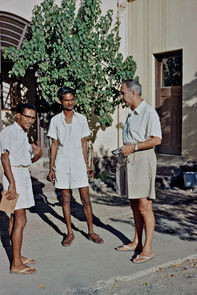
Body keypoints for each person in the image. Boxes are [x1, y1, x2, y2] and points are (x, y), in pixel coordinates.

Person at [47, 86, 103, 246]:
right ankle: (70, 233)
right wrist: (51, 168)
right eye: (66, 100)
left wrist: (86, 165)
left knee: (85, 198)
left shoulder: (81, 119)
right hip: (62, 163)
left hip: (78, 163)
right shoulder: (55, 121)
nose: (70, 102)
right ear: (60, 101)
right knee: (65, 199)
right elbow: (54, 144)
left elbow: (83, 142)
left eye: (72, 99)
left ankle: (91, 231)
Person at [115, 79, 162, 263]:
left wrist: (133, 147)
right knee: (134, 204)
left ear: (133, 93)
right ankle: (137, 242)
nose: (121, 96)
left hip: (143, 160)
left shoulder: (149, 112)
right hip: (130, 160)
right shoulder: (131, 114)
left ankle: (148, 249)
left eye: (123, 93)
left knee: (144, 206)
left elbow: (157, 139)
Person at [0, 103, 43, 274]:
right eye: (27, 116)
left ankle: (16, 256)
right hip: (14, 177)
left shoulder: (23, 134)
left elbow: (26, 160)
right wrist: (11, 182)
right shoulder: (10, 131)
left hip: (21, 175)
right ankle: (16, 264)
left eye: (33, 117)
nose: (30, 120)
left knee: (13, 219)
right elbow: (5, 157)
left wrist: (37, 155)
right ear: (18, 115)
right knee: (21, 219)